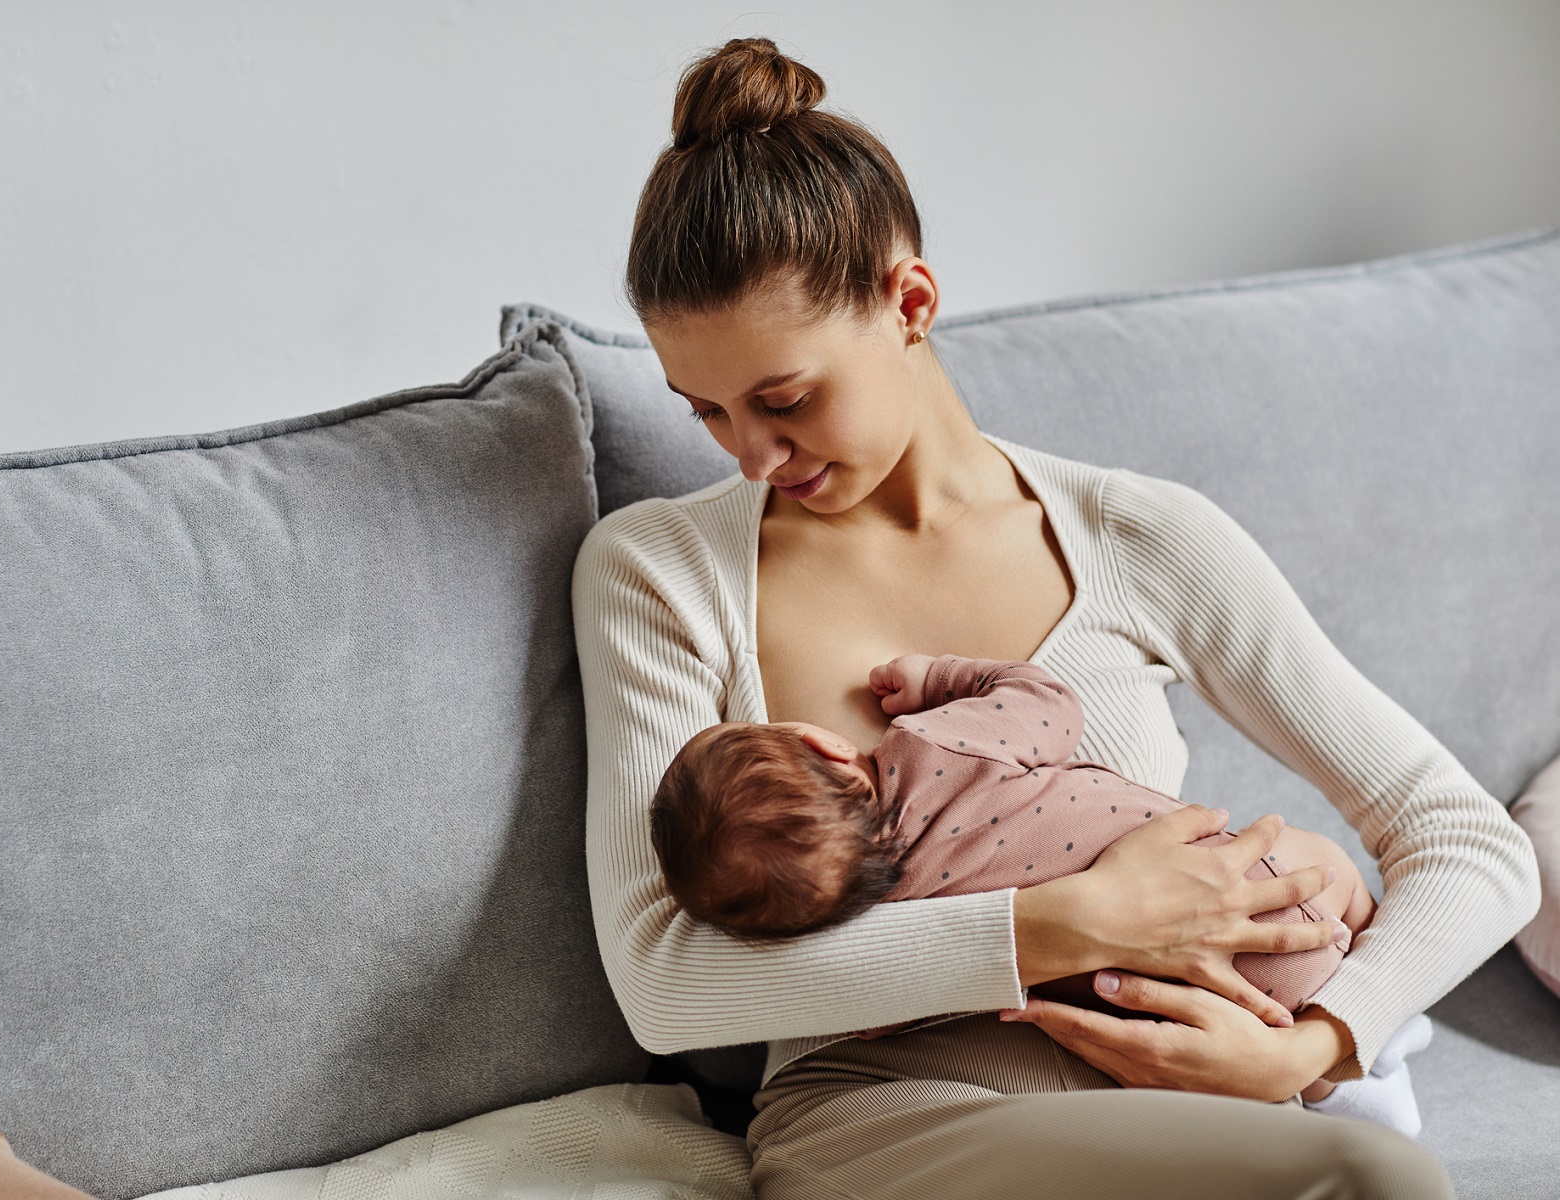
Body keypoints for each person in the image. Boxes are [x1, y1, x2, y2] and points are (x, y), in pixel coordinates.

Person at [574, 35, 1541, 1199]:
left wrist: (1316, 1042)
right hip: (893, 1119)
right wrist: (1072, 922)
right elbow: (666, 982)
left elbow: (1467, 839)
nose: (754, 455)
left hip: (1184, 1109)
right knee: (1364, 1180)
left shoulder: (1139, 537)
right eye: (709, 415)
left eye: (785, 400)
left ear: (910, 302)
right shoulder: (660, 571)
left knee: (1368, 1169)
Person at [647, 650, 1444, 1137]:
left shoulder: (897, 938)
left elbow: (880, 1006)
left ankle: (1336, 1073)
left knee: (1258, 1022)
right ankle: (1376, 1035)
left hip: (1207, 1009)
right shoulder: (932, 743)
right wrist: (939, 678)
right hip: (1264, 880)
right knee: (1330, 875)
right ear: (825, 744)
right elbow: (1048, 704)